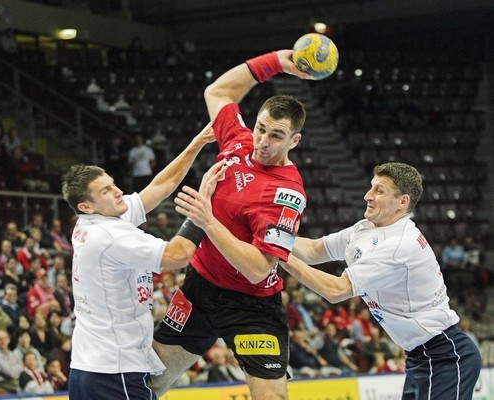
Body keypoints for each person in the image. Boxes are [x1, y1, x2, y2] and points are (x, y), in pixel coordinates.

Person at [152, 49, 311, 399]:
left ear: (294, 141)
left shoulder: (287, 194)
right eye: (261, 129)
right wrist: (276, 62)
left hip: (251, 306)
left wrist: (208, 222)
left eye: (276, 136)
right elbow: (218, 92)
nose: (263, 143)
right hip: (199, 290)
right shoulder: (239, 142)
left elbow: (258, 269)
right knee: (149, 383)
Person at [279, 162, 481, 399]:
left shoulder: (399, 245)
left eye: (379, 191)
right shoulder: (365, 228)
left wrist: (278, 253)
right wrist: (271, 234)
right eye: (371, 187)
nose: (368, 196)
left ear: (402, 202)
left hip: (445, 355)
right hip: (418, 357)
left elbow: (336, 290)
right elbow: (314, 250)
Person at [63, 124, 221, 400]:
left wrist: (196, 143)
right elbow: (178, 255)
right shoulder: (109, 236)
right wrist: (201, 209)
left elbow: (160, 186)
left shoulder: (98, 219)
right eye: (106, 190)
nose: (117, 192)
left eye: (113, 184)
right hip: (116, 372)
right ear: (86, 206)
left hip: (90, 367)